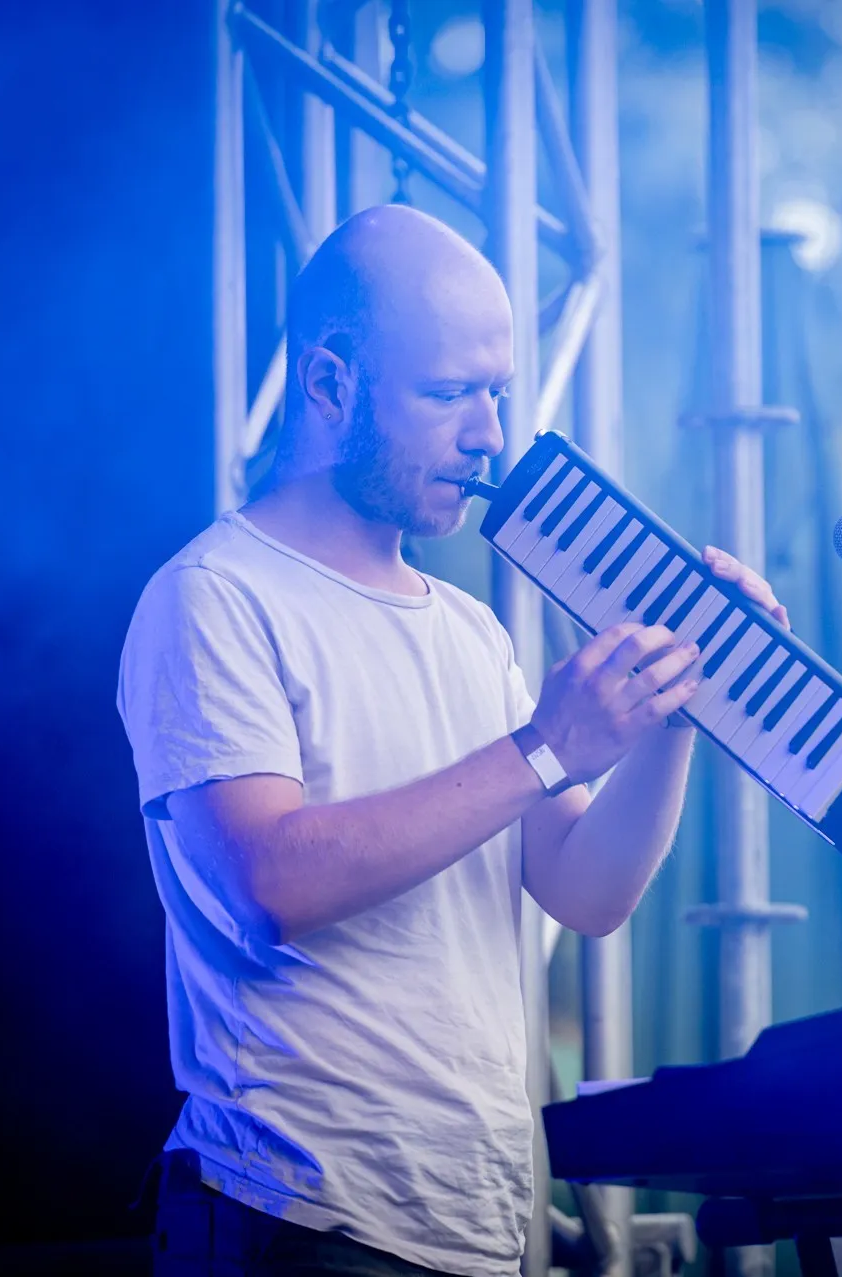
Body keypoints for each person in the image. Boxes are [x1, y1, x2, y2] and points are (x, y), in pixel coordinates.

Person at [117, 203, 787, 1276]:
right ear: (330, 382)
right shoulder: (214, 593)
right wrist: (544, 746)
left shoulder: (470, 628)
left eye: (497, 394)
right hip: (295, 1217)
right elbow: (268, 881)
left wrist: (672, 706)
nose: (488, 434)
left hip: (471, 1228)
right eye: (447, 394)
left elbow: (586, 890)